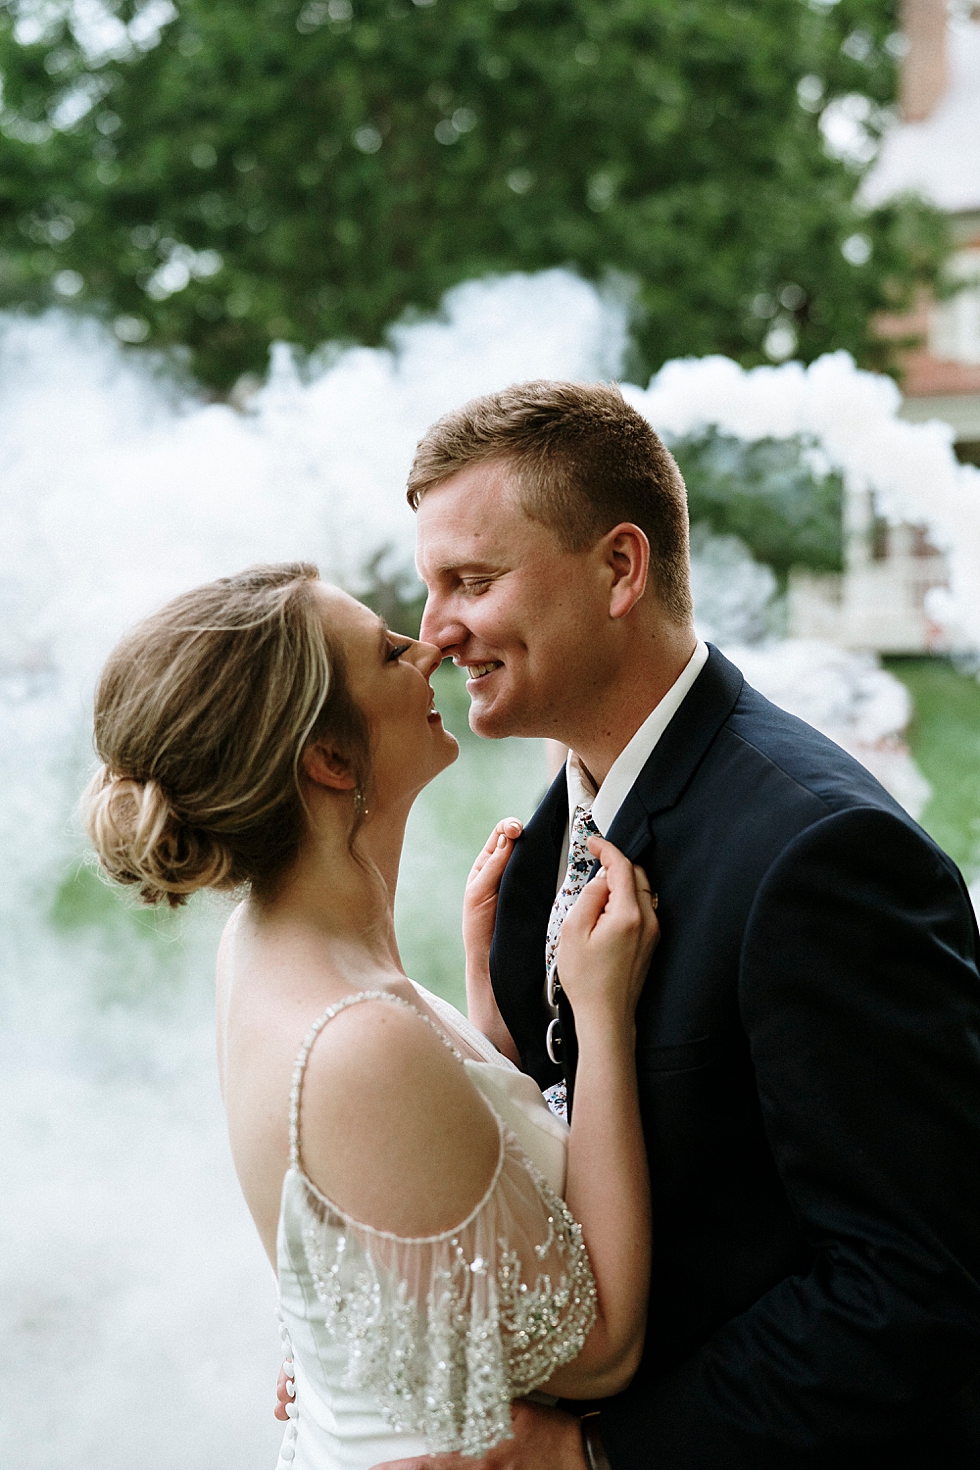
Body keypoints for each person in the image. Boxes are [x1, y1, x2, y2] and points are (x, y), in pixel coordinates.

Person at [369, 380, 980, 1470]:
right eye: (429, 590)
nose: (434, 634)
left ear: (618, 568)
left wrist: (593, 1455)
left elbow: (916, 1287)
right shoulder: (549, 835)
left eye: (471, 581)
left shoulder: (821, 857)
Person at [82, 562, 659, 1470]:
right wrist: (602, 1018)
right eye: (390, 651)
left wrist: (487, 1015)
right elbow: (601, 1350)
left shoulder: (267, 939)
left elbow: (409, 1216)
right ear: (330, 759)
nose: (430, 648)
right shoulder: (356, 1037)